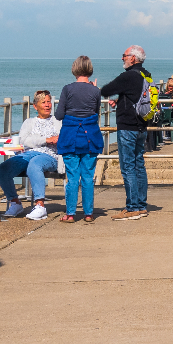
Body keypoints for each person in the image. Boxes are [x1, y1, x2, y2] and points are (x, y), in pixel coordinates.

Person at [101, 45, 154, 220]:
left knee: (128, 167)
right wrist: (122, 99)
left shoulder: (129, 75)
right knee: (139, 165)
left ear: (133, 58)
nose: (122, 59)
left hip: (128, 126)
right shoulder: (145, 74)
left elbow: (106, 90)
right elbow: (136, 95)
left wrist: (94, 89)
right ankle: (141, 205)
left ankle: (132, 208)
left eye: (124, 56)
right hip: (141, 125)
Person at [53, 56, 105, 223]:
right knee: (88, 176)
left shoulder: (67, 89)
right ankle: (88, 213)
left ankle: (70, 213)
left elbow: (59, 115)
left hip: (70, 137)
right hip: (90, 136)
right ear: (89, 69)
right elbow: (95, 113)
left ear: (74, 69)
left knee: (73, 176)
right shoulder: (96, 91)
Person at [0, 90, 61, 221]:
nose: (48, 105)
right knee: (3, 169)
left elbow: (62, 138)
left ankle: (40, 206)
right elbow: (24, 141)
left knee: (35, 164)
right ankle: (15, 203)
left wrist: (54, 140)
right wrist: (46, 139)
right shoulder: (28, 122)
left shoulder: (58, 121)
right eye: (44, 102)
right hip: (28, 154)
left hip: (50, 156)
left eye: (49, 102)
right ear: (35, 106)